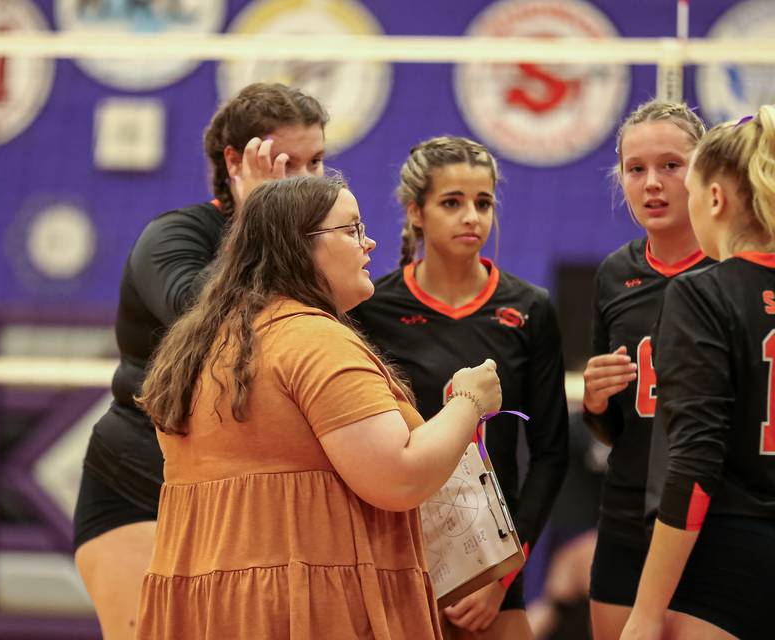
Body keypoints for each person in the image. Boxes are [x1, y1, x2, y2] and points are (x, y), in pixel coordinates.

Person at [134, 175, 502, 639]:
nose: (369, 242)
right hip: (302, 610)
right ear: (298, 245)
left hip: (207, 611)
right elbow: (399, 475)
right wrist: (470, 401)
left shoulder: (205, 344)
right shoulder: (314, 340)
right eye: (350, 229)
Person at [72, 83, 328, 640]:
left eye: (318, 161)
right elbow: (206, 320)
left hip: (243, 500)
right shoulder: (173, 236)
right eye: (288, 163)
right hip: (141, 484)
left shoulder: (321, 250)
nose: (309, 180)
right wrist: (257, 221)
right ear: (236, 161)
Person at [351, 136, 569, 639]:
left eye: (483, 202)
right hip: (399, 560)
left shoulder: (530, 309)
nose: (472, 216)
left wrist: (501, 576)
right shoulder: (370, 309)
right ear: (416, 212)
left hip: (492, 576)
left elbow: (550, 455)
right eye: (452, 202)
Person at [621, 107, 775, 640]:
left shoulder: (703, 292)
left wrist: (645, 610)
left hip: (725, 562)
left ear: (715, 198)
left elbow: (694, 463)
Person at [580, 100, 711, 640]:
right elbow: (611, 430)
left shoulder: (735, 271)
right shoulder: (616, 273)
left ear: (704, 172)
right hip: (628, 508)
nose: (651, 184)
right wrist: (594, 401)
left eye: (670, 166)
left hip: (713, 514)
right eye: (636, 169)